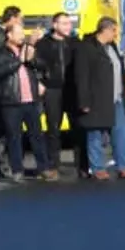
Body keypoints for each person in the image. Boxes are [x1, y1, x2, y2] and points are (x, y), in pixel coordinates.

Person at [0, 22, 52, 183]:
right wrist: (20, 60)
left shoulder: (27, 49)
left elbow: (42, 65)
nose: (22, 36)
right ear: (9, 35)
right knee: (14, 137)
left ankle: (43, 168)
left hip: (30, 99)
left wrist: (32, 60)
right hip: (12, 101)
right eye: (18, 33)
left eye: (23, 33)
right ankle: (17, 169)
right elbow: (0, 72)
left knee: (37, 135)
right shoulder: (0, 53)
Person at [74, 17, 125, 180]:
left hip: (116, 98)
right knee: (95, 134)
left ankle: (123, 166)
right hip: (96, 98)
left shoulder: (112, 47)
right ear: (105, 30)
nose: (116, 34)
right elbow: (82, 76)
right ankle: (98, 167)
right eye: (114, 30)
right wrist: (83, 101)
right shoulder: (86, 47)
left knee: (120, 133)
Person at [34, 12, 79, 174]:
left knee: (77, 127)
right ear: (55, 25)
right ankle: (53, 164)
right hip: (52, 89)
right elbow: (36, 66)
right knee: (53, 128)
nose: (68, 27)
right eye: (64, 23)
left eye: (69, 23)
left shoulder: (74, 43)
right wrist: (40, 82)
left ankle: (81, 165)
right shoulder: (43, 44)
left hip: (72, 88)